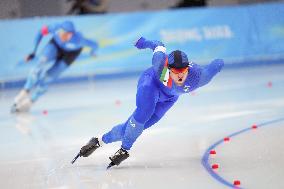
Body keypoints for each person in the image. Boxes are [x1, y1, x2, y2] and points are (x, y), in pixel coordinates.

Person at [77, 37, 224, 168]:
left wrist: (220, 63)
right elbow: (158, 45)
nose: (180, 75)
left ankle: (98, 141)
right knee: (143, 114)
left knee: (131, 129)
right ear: (168, 68)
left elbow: (215, 66)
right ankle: (125, 150)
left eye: (183, 71)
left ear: (188, 69)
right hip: (151, 84)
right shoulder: (160, 65)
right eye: (175, 71)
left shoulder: (198, 78)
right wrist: (143, 42)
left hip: (169, 98)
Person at [11, 20, 98, 113]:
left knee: (48, 77)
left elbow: (95, 44)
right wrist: (34, 51)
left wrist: (92, 52)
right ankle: (25, 90)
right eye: (61, 33)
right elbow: (41, 32)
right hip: (55, 46)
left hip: (70, 55)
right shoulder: (54, 28)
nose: (62, 36)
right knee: (40, 63)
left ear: (71, 34)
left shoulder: (79, 40)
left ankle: (32, 100)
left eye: (65, 34)